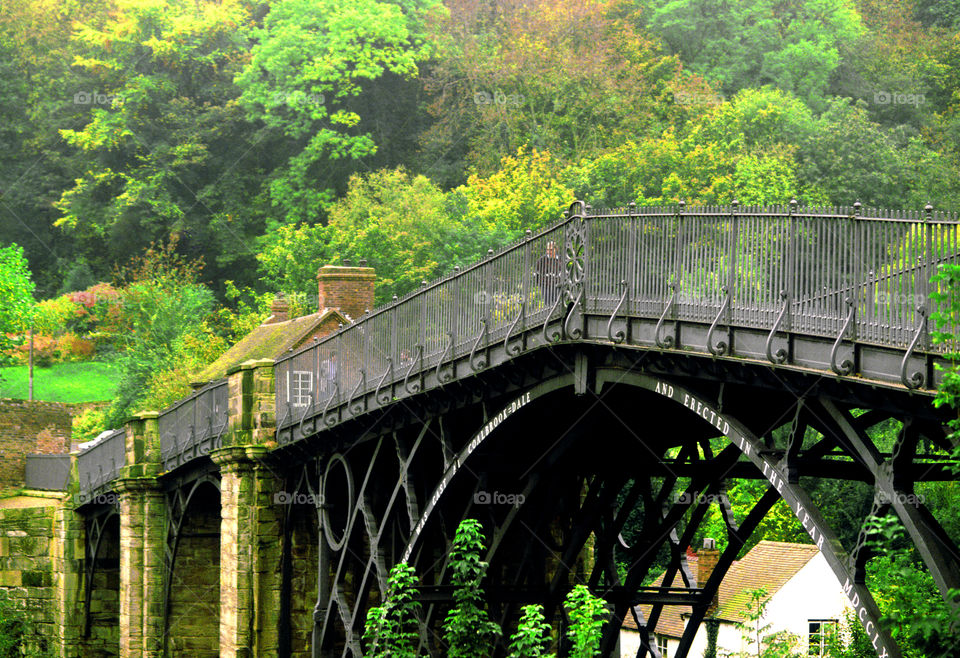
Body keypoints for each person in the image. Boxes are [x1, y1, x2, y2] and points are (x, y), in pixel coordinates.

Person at [534, 241, 563, 306]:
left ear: (556, 249)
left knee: (558, 304)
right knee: (548, 305)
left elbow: (564, 272)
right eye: (547, 250)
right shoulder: (542, 260)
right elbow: (536, 274)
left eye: (551, 250)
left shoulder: (561, 260)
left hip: (558, 286)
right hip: (546, 286)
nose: (549, 252)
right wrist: (541, 284)